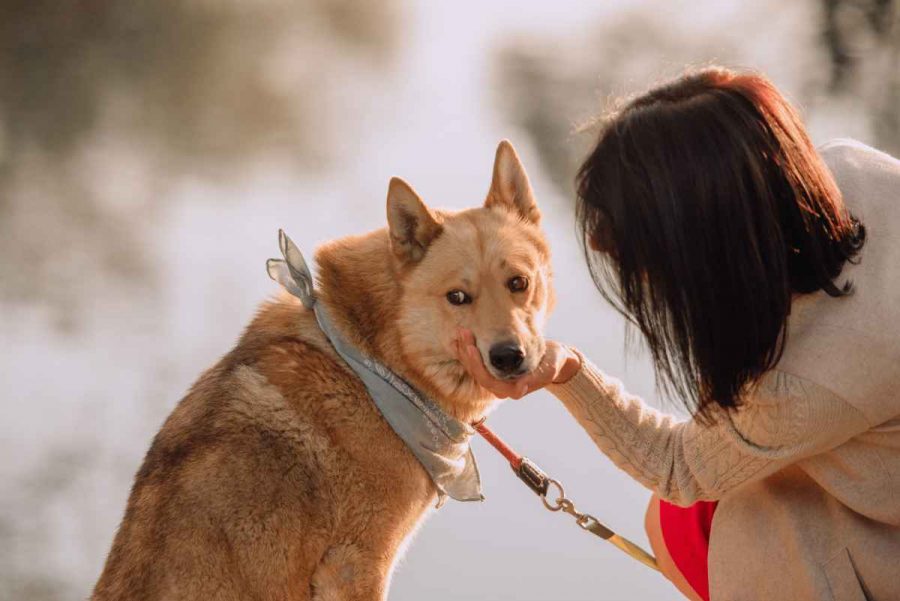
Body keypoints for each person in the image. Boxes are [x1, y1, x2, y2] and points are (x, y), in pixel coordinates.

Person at [456, 67, 900, 601]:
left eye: (642, 243)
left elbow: (678, 466)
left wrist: (567, 372)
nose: (603, 248)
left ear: (705, 237)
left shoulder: (808, 385)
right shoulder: (849, 170)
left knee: (690, 525)